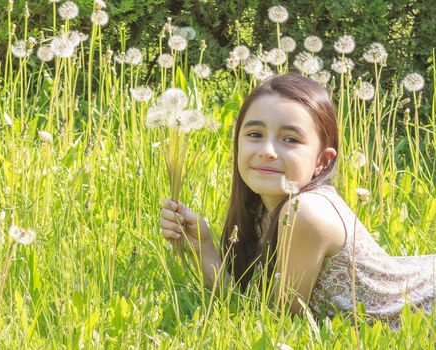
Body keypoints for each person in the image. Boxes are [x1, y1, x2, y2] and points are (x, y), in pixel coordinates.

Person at [159, 73, 435, 330]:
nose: (267, 151)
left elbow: (272, 323)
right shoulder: (262, 209)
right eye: (255, 134)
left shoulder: (306, 211)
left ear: (322, 161)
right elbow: (249, 305)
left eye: (290, 139)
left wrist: (207, 256)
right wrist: (203, 247)